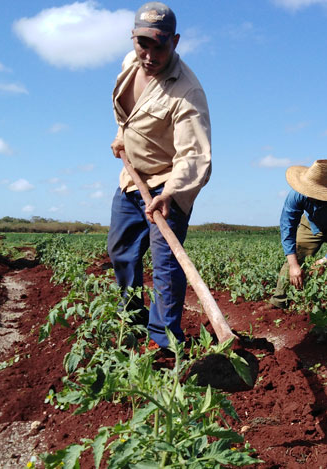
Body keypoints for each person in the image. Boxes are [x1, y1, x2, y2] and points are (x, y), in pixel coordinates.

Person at [108, 2, 212, 349]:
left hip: (168, 186)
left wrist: (169, 193)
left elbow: (195, 155)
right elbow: (129, 114)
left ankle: (164, 343)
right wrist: (122, 136)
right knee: (121, 251)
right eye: (143, 44)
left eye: (160, 45)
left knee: (166, 267)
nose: (149, 55)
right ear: (133, 39)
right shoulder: (130, 64)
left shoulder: (187, 93)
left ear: (176, 41)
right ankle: (131, 324)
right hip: (132, 179)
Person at [269, 159, 327, 308]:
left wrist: (325, 260)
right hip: (311, 224)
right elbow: (287, 226)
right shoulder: (297, 194)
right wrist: (294, 264)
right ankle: (279, 301)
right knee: (296, 256)